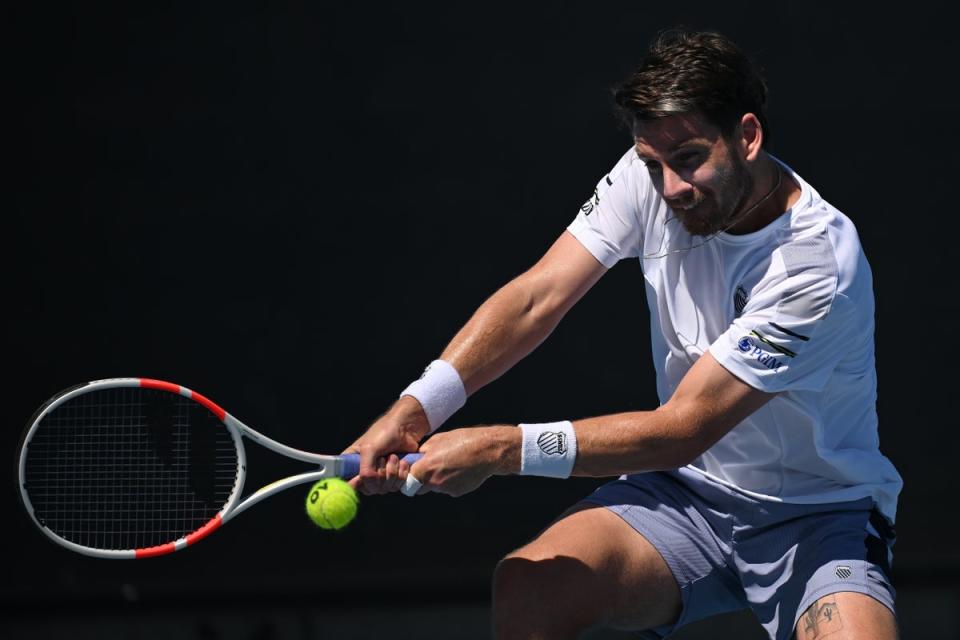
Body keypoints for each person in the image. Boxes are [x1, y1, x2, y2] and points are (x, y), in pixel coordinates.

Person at [345, 29, 903, 640]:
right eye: (652, 164)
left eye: (689, 159)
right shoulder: (652, 174)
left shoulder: (815, 266)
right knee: (531, 587)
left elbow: (682, 430)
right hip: (686, 499)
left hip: (817, 515)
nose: (669, 188)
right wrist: (418, 406)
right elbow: (537, 298)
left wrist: (498, 450)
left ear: (748, 136)